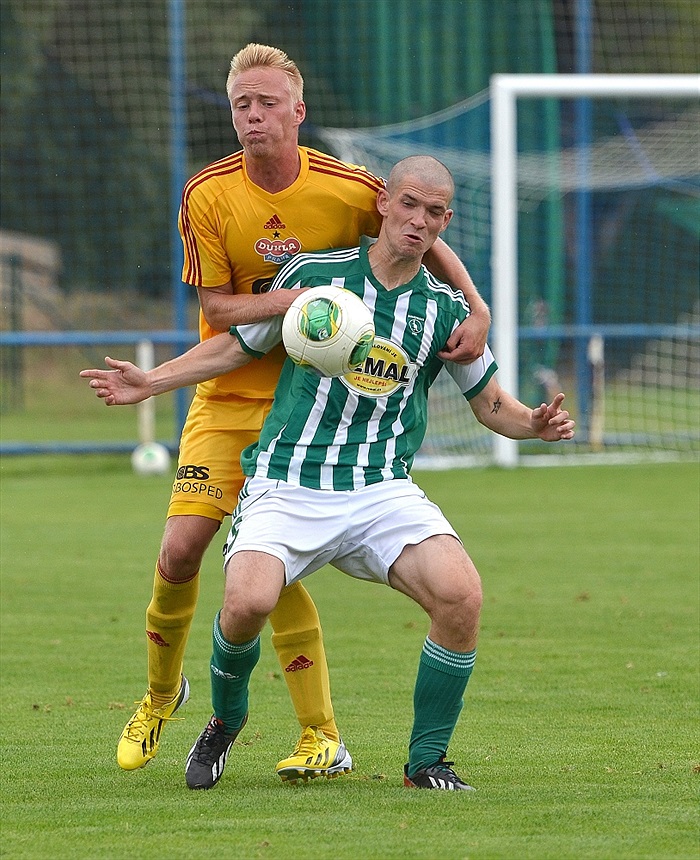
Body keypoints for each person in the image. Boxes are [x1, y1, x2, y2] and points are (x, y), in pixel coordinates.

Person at [82, 155, 574, 791]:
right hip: (288, 481)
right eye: (408, 205)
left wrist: (533, 425)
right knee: (246, 603)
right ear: (384, 205)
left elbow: (492, 406)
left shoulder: (445, 313)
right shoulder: (316, 282)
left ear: (444, 222)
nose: (417, 221)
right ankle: (226, 720)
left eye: (433, 213)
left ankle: (427, 763)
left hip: (380, 492)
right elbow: (237, 344)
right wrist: (151, 380)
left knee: (462, 597)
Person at [111, 43, 492, 781]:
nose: (253, 116)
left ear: (298, 111)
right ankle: (162, 695)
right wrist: (311, 300)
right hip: (227, 391)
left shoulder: (351, 187)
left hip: (307, 400)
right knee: (180, 552)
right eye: (240, 105)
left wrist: (475, 306)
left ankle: (322, 734)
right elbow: (218, 311)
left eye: (266, 103)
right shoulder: (207, 195)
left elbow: (416, 225)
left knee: (269, 573)